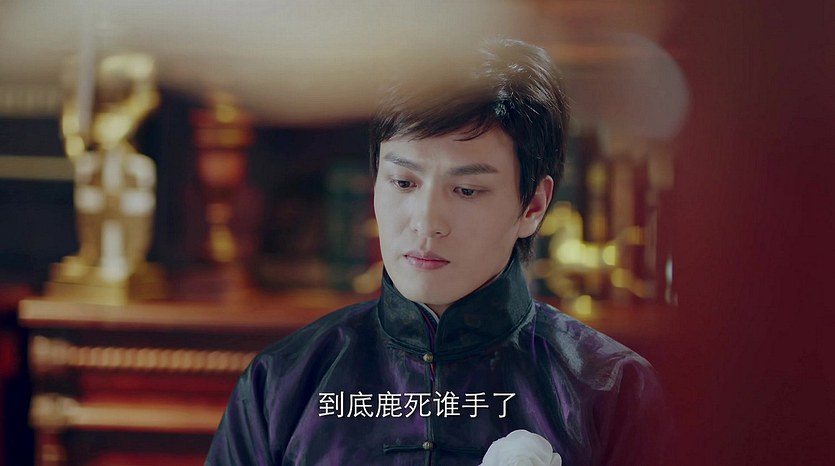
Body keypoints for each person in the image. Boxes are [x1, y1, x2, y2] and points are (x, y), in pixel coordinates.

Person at [206, 38, 668, 466]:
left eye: (466, 190)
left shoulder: (610, 391)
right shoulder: (280, 384)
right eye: (403, 182)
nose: (426, 222)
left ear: (533, 206)